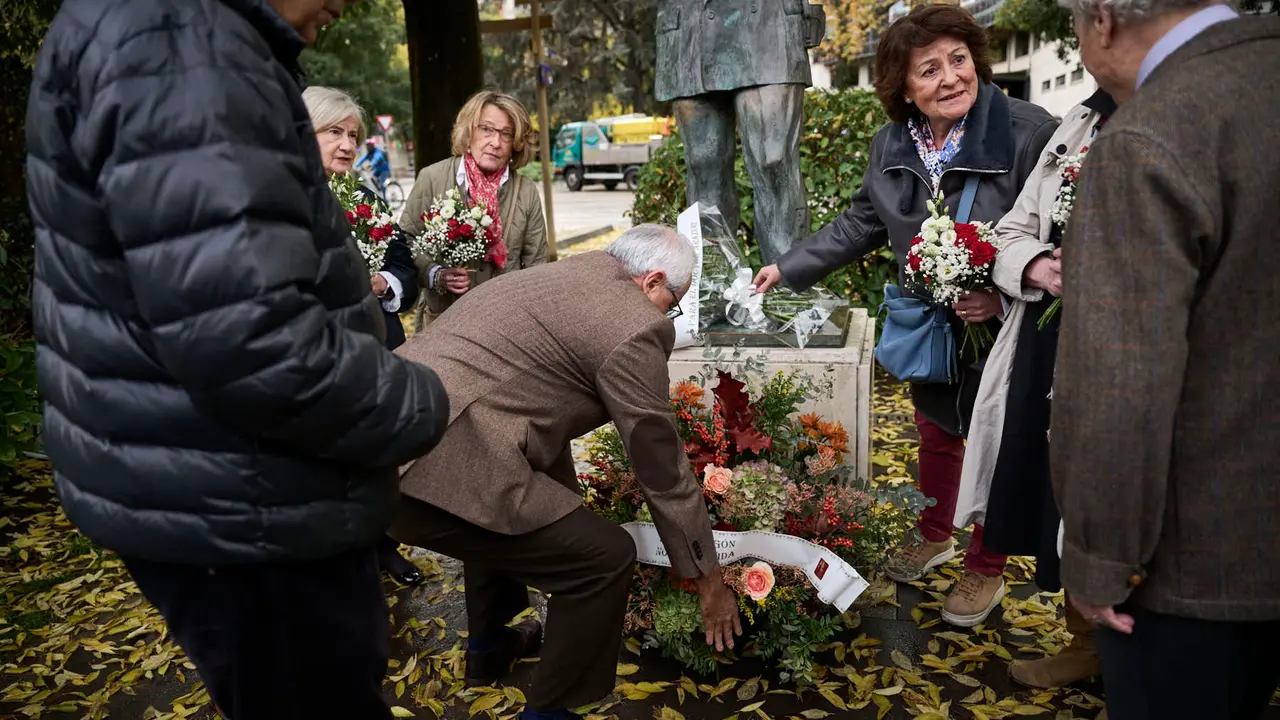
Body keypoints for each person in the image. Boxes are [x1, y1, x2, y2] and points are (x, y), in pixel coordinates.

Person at [24, 1, 450, 718]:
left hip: (219, 482)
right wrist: (423, 401)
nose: (343, 6)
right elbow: (254, 344)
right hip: (248, 501)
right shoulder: (182, 43)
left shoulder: (166, 34)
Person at [752, 3, 1057, 627]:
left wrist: (1002, 294)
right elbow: (864, 221)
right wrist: (788, 266)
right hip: (930, 322)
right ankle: (935, 532)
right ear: (903, 87)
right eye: (929, 69)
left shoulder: (1029, 132)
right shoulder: (893, 143)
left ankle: (986, 564)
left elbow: (1059, 231)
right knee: (937, 431)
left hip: (1007, 324)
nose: (950, 77)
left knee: (995, 443)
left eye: (959, 60)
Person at [391, 225, 741, 720]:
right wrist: (708, 578)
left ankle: (489, 648)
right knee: (603, 558)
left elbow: (533, 410)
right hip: (431, 459)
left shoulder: (573, 272)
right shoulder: (634, 325)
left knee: (501, 503)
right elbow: (661, 467)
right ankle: (553, 711)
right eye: (673, 302)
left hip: (381, 430)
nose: (669, 315)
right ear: (652, 281)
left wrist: (564, 505)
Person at [1049, 0, 1280, 717]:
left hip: (1195, 567)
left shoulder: (1152, 133)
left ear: (1101, 19)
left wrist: (1099, 561)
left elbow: (1122, 383)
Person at [952, 89, 1116, 694]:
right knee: (1056, 491)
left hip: (1127, 346)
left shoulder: (1181, 110)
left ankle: (1141, 665)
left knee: (1112, 503)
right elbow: (1018, 224)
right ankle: (1086, 644)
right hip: (1051, 339)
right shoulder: (1083, 117)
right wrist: (1038, 266)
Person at [303, 84, 427, 586]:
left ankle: (384, 545)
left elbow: (405, 267)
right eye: (334, 131)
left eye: (353, 134)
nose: (348, 144)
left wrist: (386, 281)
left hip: (379, 350)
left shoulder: (366, 196)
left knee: (380, 457)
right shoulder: (284, 199)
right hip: (319, 357)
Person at [399, 89, 548, 328]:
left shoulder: (526, 191)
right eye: (486, 129)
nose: (495, 143)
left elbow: (537, 269)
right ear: (469, 132)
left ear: (516, 144)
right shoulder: (432, 178)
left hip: (502, 327)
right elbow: (404, 242)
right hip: (443, 321)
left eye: (506, 134)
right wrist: (436, 274)